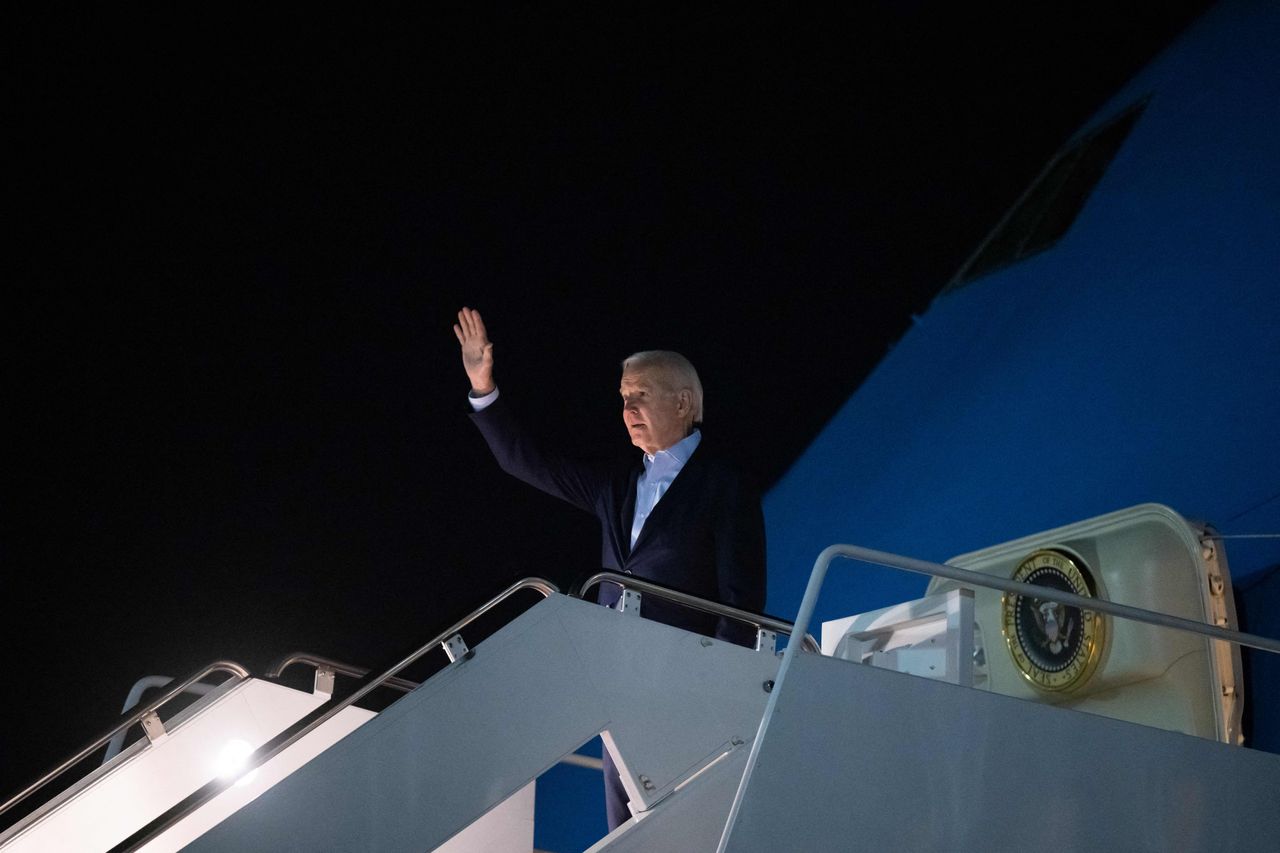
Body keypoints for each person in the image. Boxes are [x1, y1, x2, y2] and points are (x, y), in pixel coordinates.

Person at [452, 306, 766, 830]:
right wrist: (482, 385)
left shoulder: (725, 490)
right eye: (623, 398)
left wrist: (711, 686)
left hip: (685, 692)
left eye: (640, 395)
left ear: (683, 402)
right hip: (616, 686)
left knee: (683, 829)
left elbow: (741, 605)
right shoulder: (613, 486)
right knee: (623, 833)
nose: (627, 408)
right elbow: (524, 462)